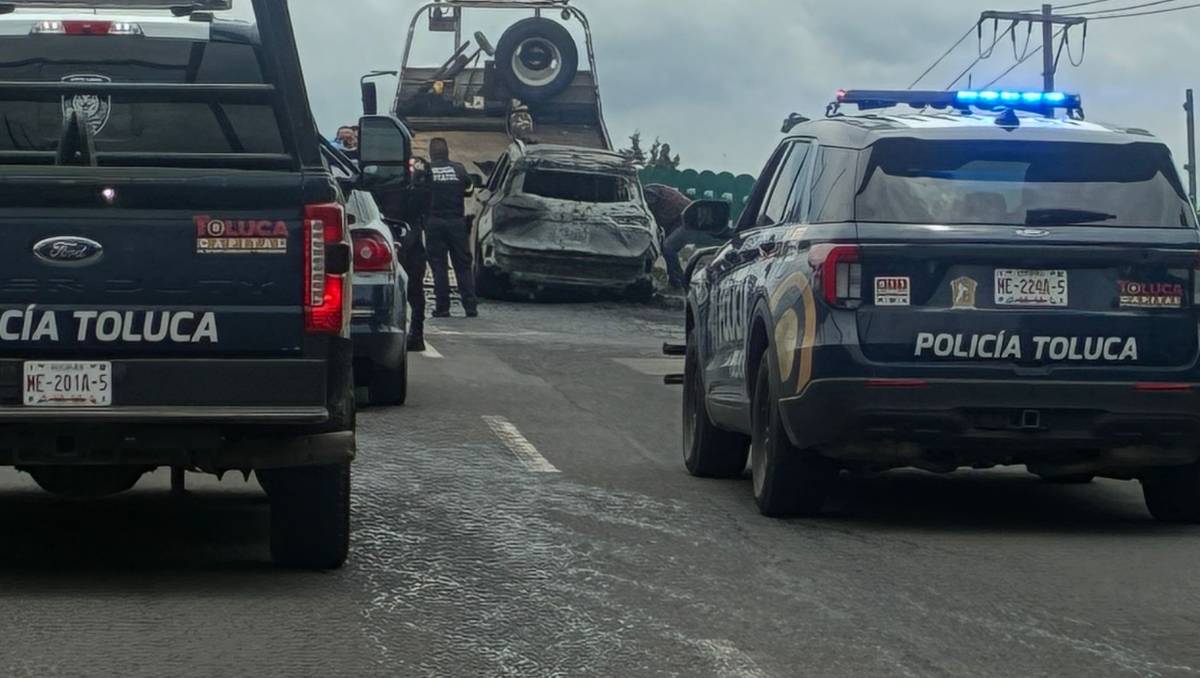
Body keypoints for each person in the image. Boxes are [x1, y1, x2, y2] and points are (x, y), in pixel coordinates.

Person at [424, 137, 479, 318]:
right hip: (456, 223)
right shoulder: (459, 169)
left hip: (434, 223)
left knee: (439, 267)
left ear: (431, 153)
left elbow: (418, 194)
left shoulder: (427, 172)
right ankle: (470, 307)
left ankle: (442, 308)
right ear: (447, 152)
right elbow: (469, 190)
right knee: (463, 266)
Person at [644, 184, 725, 289]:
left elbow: (654, 209)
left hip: (686, 221)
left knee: (668, 248)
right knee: (664, 247)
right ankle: (673, 280)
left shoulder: (652, 195)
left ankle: (679, 281)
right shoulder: (657, 191)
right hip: (679, 221)